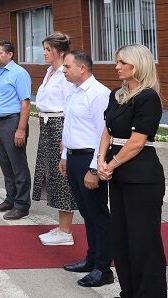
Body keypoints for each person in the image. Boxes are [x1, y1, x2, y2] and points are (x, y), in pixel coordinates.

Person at [98, 44, 166, 297]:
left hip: (142, 178)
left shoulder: (148, 97)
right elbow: (107, 130)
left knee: (143, 241)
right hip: (118, 177)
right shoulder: (117, 94)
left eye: (121, 62)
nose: (116, 67)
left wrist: (111, 164)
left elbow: (137, 142)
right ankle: (128, 292)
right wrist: (100, 160)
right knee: (122, 239)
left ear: (136, 65)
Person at [60, 50, 114, 288]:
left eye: (67, 66)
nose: (64, 70)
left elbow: (103, 134)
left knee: (98, 215)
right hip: (73, 158)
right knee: (87, 213)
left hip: (89, 160)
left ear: (82, 68)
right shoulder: (73, 92)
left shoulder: (98, 94)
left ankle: (103, 268)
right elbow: (70, 127)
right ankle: (91, 259)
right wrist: (64, 156)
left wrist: (94, 169)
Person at [33, 32, 78, 246]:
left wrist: (65, 138)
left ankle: (66, 231)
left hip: (59, 125)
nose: (44, 53)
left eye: (48, 49)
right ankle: (61, 227)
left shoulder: (64, 74)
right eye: (44, 49)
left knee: (62, 177)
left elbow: (69, 106)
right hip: (46, 125)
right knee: (50, 174)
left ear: (59, 51)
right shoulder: (49, 72)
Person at [0, 40, 32, 220]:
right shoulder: (0, 73)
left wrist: (21, 129)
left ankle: (22, 205)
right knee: (6, 164)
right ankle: (10, 199)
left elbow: (26, 104)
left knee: (18, 165)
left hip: (13, 123)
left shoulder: (19, 73)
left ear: (10, 54)